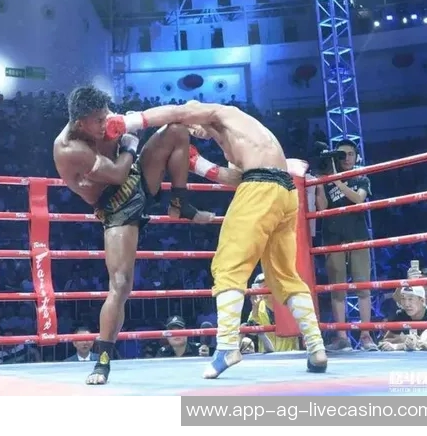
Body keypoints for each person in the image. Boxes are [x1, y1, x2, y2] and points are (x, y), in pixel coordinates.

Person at [104, 100, 328, 378]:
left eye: (192, 125)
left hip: (261, 188)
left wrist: (128, 122)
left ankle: (227, 347)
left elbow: (177, 111)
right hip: (285, 193)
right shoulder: (242, 134)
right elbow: (236, 177)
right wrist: (198, 164)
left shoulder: (222, 112)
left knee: (228, 267)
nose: (192, 131)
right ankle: (317, 348)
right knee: (284, 275)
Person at [53, 86, 240, 385]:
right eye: (98, 120)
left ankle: (179, 203)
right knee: (120, 284)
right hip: (115, 205)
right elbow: (116, 174)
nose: (105, 123)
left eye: (106, 115)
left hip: (137, 176)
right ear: (80, 123)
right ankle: (102, 361)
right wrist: (130, 143)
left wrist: (145, 123)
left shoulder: (106, 120)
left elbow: (148, 125)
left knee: (177, 131)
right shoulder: (69, 148)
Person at [315, 139, 378, 351]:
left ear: (356, 156)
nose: (347, 158)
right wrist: (321, 184)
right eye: (342, 154)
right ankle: (342, 338)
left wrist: (338, 181)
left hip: (358, 236)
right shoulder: (326, 179)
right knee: (337, 290)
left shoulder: (360, 176)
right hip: (332, 237)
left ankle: (366, 336)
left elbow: (359, 200)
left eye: (350, 154)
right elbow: (322, 208)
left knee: (363, 288)